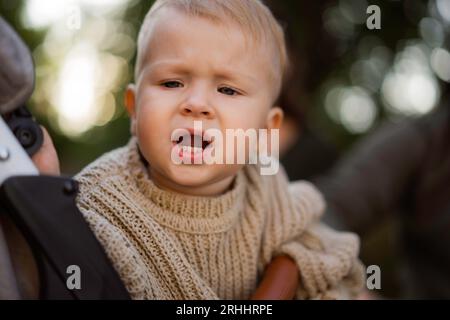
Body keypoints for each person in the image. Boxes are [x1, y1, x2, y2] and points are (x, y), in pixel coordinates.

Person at [72, 0, 364, 299]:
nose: (197, 104)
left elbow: (327, 250)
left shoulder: (265, 186)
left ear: (265, 131)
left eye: (227, 90)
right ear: (134, 110)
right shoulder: (96, 209)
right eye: (172, 83)